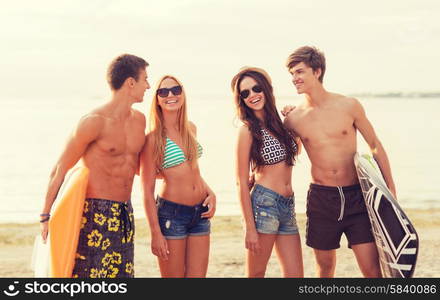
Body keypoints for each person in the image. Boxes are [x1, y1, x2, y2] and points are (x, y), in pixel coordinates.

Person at [283, 46, 396, 278]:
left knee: (372, 270)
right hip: (322, 199)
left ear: (317, 71)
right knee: (324, 268)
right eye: (292, 74)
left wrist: (390, 190)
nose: (294, 78)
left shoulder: (349, 105)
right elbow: (288, 157)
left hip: (357, 196)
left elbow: (375, 145)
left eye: (299, 72)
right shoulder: (294, 119)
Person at [40, 54, 150, 278]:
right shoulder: (94, 121)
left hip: (124, 212)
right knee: (88, 277)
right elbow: (60, 168)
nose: (148, 86)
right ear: (131, 82)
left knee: (122, 278)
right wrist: (45, 215)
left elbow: (139, 167)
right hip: (94, 214)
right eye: (145, 79)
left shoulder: (140, 120)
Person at [140, 75, 216, 278]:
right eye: (163, 92)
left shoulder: (191, 128)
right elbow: (146, 191)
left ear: (182, 94)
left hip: (200, 213)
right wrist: (155, 233)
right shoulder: (152, 139)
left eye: (175, 89)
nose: (170, 95)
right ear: (156, 99)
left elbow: (192, 171)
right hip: (171, 216)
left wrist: (210, 192)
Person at [231, 67, 304, 278]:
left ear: (266, 88)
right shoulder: (246, 129)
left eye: (256, 88)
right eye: (245, 93)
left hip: (287, 205)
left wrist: (294, 119)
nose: (252, 95)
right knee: (256, 276)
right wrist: (249, 228)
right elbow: (241, 182)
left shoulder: (280, 124)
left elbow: (289, 154)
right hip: (264, 205)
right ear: (241, 99)